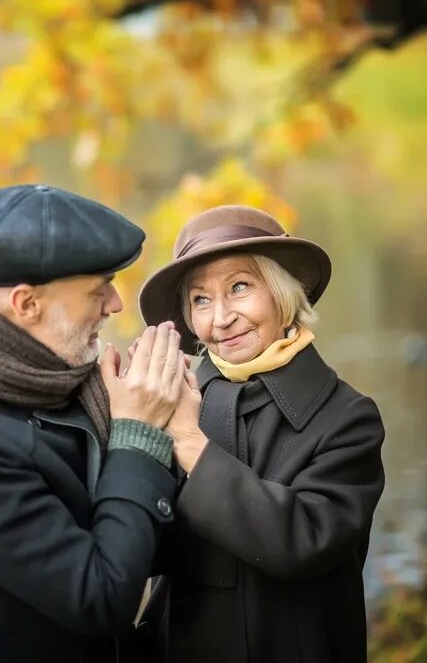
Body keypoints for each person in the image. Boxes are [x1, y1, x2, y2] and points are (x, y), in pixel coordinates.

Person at [0, 184, 185, 662]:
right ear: (26, 305)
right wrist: (137, 435)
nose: (114, 304)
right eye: (97, 289)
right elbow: (102, 598)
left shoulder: (3, 363)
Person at [137, 204, 386, 663]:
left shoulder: (348, 417)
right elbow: (133, 545)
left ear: (283, 295)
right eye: (201, 299)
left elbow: (302, 541)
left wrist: (190, 443)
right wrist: (127, 429)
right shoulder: (169, 402)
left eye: (239, 287)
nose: (221, 318)